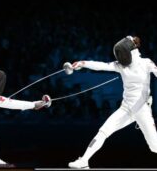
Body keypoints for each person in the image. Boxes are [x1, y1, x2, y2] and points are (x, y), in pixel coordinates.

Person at [67, 36, 157, 169]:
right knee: (104, 131)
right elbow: (101, 65)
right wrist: (82, 63)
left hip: (142, 109)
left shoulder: (146, 63)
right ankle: (84, 160)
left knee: (155, 146)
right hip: (126, 109)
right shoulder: (119, 65)